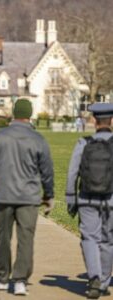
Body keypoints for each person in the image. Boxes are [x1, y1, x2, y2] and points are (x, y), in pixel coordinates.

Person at [0, 99, 54, 296]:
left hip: (4, 194)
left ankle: (2, 277)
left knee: (3, 236)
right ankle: (20, 279)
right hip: (28, 197)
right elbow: (47, 171)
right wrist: (49, 194)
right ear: (29, 115)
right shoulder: (38, 139)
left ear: (14, 113)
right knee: (26, 239)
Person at [66, 103, 113, 299]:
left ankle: (93, 276)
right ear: (111, 121)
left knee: (89, 238)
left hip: (86, 198)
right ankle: (103, 281)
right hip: (111, 200)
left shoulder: (83, 143)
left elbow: (72, 173)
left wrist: (71, 199)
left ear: (94, 121)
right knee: (108, 240)